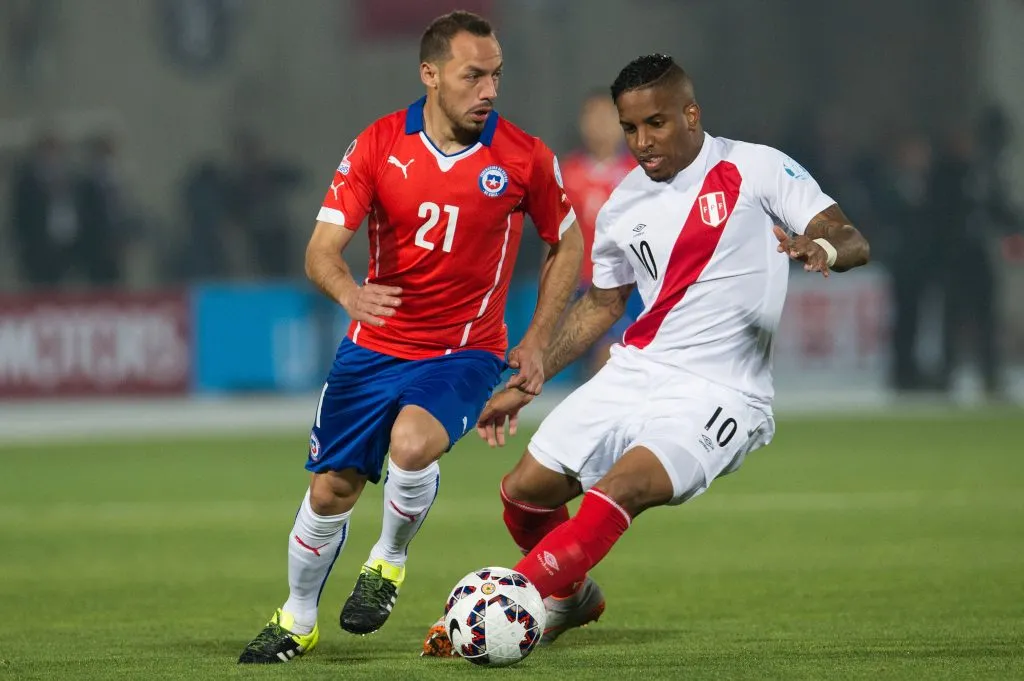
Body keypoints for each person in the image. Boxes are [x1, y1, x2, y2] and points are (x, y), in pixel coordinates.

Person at [422, 53, 869, 656]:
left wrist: (821, 249)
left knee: (621, 487)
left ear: (691, 114)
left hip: (720, 392)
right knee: (523, 493)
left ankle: (500, 609)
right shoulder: (622, 205)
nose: (642, 142)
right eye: (631, 128)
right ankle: (572, 599)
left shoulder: (755, 167)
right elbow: (602, 305)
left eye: (655, 124)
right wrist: (531, 378)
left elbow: (849, 236)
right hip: (638, 369)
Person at [239, 10, 583, 664]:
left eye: (496, 76)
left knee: (413, 441)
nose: (489, 90)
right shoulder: (377, 145)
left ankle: (388, 560)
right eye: (473, 75)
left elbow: (566, 240)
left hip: (464, 350)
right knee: (330, 490)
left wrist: (537, 340)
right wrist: (350, 293)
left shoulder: (522, 156)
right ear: (429, 74)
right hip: (372, 349)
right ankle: (297, 617)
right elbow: (320, 251)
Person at [557, 90, 641, 377]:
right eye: (593, 117)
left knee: (612, 359)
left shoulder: (639, 173)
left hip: (629, 287)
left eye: (608, 117)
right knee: (598, 366)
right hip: (584, 287)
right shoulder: (568, 172)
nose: (600, 125)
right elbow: (556, 238)